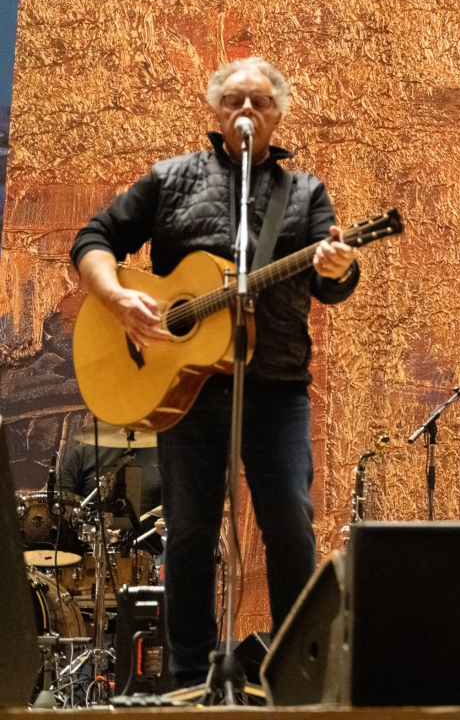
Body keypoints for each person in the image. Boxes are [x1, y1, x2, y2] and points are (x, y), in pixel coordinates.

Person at [70, 58, 359, 686]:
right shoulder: (171, 180)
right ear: (217, 110)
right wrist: (117, 299)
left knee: (290, 523)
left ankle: (297, 674)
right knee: (189, 533)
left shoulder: (304, 194)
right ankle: (187, 678)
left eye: (260, 102)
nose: (246, 110)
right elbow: (94, 238)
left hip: (277, 387)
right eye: (234, 100)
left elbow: (329, 284)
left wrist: (339, 270)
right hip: (185, 391)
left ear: (278, 114)